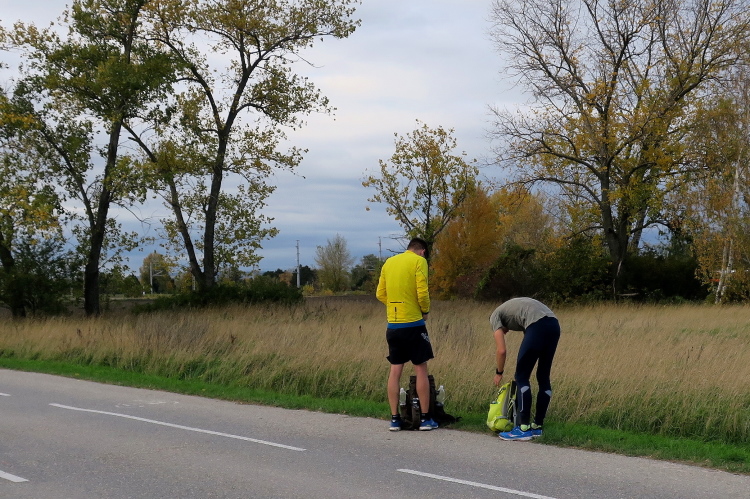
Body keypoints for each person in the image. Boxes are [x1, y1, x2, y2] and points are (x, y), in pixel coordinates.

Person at [376, 237, 438, 431]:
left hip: (393, 326)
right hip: (413, 323)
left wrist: (394, 305)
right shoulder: (419, 261)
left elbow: (380, 293)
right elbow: (422, 292)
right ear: (422, 251)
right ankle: (425, 419)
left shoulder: (389, 262)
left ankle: (395, 418)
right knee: (420, 368)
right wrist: (424, 311)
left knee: (395, 370)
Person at [490, 297, 560, 441]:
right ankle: (537, 426)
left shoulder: (494, 316)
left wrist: (499, 373)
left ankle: (523, 429)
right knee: (543, 376)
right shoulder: (513, 309)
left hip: (537, 326)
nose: (505, 332)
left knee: (521, 376)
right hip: (554, 325)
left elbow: (501, 350)